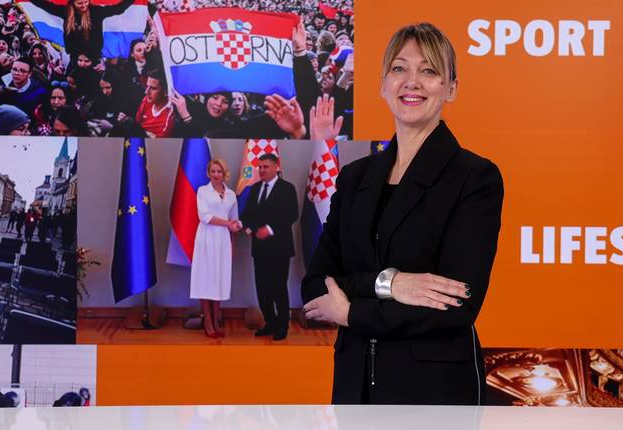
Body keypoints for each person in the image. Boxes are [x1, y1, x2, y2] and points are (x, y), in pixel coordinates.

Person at [300, 23, 503, 405]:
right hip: (355, 389)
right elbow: (315, 287)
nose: (412, 81)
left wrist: (352, 312)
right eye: (399, 68)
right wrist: (390, 284)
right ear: (382, 85)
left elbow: (456, 305)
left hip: (435, 394)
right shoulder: (354, 178)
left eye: (429, 70)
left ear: (450, 88)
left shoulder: (475, 178)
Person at [240, 154, 299, 341]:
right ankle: (270, 323)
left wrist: (270, 229)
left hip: (280, 248)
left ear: (276, 167)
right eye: (260, 167)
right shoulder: (255, 188)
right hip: (260, 248)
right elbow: (248, 214)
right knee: (262, 287)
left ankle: (282, 325)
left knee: (278, 287)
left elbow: (292, 214)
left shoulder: (287, 188)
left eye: (265, 167)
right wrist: (249, 227)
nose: (262, 170)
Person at [190, 159, 242, 338]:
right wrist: (228, 224)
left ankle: (216, 319)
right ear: (208, 173)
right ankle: (208, 321)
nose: (216, 175)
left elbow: (234, 219)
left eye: (219, 171)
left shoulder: (231, 194)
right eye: (213, 171)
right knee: (206, 279)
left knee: (219, 279)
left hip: (223, 240)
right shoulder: (202, 191)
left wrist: (233, 242)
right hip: (207, 238)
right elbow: (205, 216)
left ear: (224, 173)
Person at [27, 0, 136, 61]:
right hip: (74, 59)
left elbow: (118, 9)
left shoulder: (96, 12)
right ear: (72, 3)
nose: (84, 5)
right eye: (80, 3)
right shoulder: (65, 12)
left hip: (94, 58)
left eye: (86, 2)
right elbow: (45, 5)